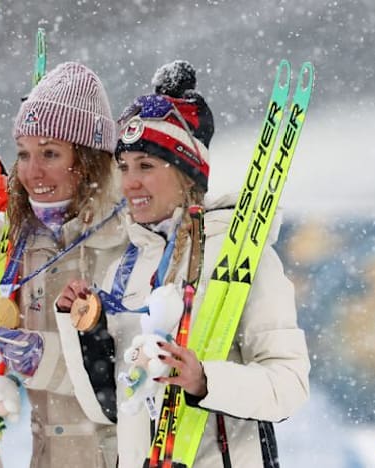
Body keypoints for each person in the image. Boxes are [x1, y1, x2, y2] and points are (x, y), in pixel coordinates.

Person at [56, 60, 311, 467]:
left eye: (146, 166)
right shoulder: (124, 265)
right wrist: (87, 330)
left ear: (185, 172)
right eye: (124, 167)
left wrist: (205, 379)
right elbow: (109, 409)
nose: (130, 182)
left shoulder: (241, 254)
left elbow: (289, 386)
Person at [0, 62, 128, 467]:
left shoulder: (128, 238)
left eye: (50, 153)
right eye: (25, 154)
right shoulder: (13, 238)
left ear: (88, 158)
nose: (32, 172)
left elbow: (137, 373)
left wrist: (46, 359)